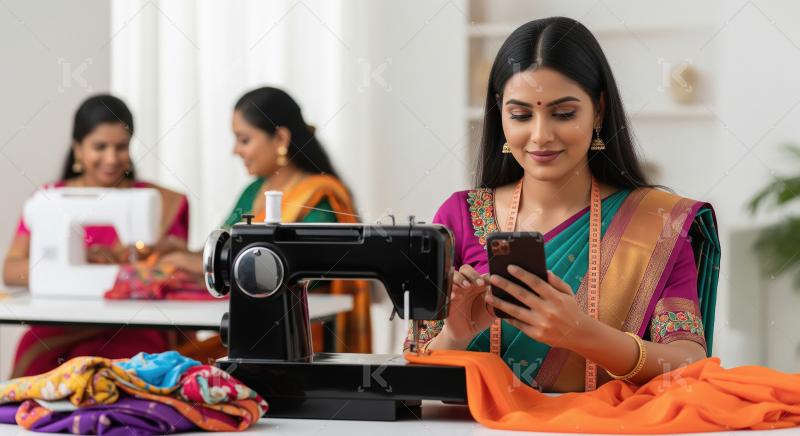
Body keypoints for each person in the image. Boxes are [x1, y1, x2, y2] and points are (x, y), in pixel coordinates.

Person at [405, 17, 720, 392]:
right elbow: (415, 373)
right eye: (521, 115)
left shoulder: (656, 222)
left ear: (598, 110)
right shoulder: (458, 217)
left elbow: (688, 362)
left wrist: (581, 332)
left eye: (563, 113)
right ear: (500, 113)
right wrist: (454, 335)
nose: (541, 135)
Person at [161, 87, 371, 354]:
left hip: (301, 332)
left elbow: (305, 272)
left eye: (244, 139)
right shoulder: (253, 191)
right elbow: (225, 247)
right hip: (256, 320)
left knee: (185, 370)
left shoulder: (319, 195)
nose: (235, 150)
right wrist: (184, 253)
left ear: (280, 137)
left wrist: (192, 264)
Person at [3, 94, 190, 377]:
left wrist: (158, 256)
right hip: (61, 325)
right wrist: (75, 266)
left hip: (135, 324)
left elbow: (172, 279)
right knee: (49, 370)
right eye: (100, 147)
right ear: (78, 148)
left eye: (121, 147)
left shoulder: (160, 202)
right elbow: (10, 270)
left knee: (120, 371)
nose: (112, 158)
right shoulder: (48, 201)